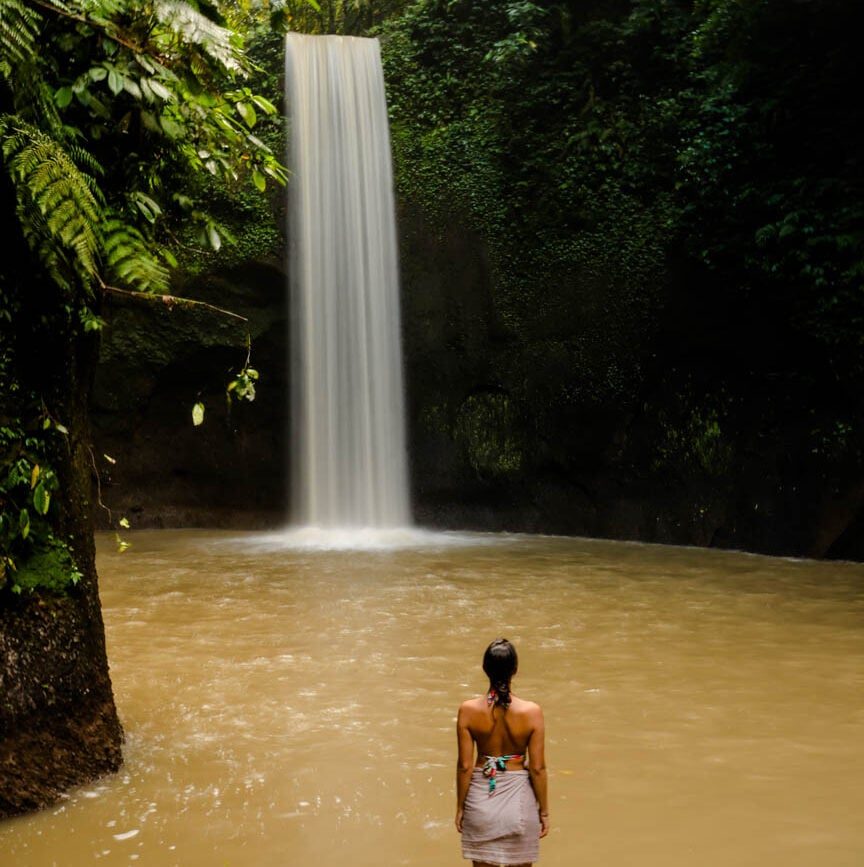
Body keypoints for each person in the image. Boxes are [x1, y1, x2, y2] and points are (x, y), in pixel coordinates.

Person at [455, 638, 549, 866]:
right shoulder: (532, 712)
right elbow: (537, 768)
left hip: (481, 798)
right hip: (519, 801)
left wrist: (460, 807)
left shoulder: (467, 711)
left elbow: (465, 767)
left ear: (484, 668)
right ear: (515, 670)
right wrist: (544, 812)